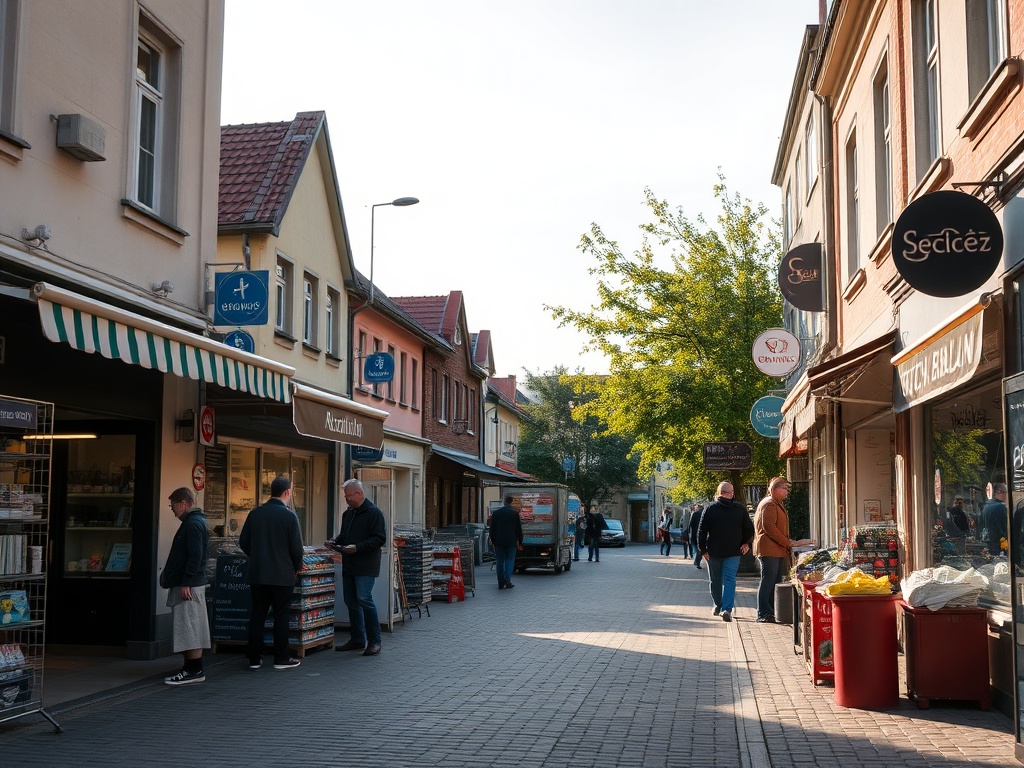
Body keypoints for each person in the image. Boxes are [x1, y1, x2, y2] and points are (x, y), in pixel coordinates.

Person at [239, 476, 304, 670]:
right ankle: (281, 657)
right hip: (282, 575)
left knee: (257, 614)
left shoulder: (255, 513)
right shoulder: (290, 516)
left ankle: (254, 657)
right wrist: (297, 565)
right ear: (287, 492)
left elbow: (243, 542)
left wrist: (258, 556)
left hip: (258, 573)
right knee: (281, 615)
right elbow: (296, 548)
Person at [327, 479, 387, 655]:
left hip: (366, 565)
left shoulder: (374, 513)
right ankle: (358, 639)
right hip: (349, 564)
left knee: (364, 599)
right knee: (351, 602)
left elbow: (379, 539)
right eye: (345, 497)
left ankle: (375, 641)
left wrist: (358, 547)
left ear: (359, 494)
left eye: (349, 496)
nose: (347, 500)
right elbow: (345, 535)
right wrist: (335, 542)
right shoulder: (349, 514)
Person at [160, 487, 211, 686]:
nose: (171, 509)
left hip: (189, 586)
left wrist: (186, 582)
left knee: (189, 627)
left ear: (183, 503)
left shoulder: (192, 525)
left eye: (172, 504)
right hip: (189, 583)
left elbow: (195, 555)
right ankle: (192, 668)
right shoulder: (195, 522)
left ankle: (193, 670)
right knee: (190, 627)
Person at [697, 482, 754, 622]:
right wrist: (746, 543)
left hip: (713, 552)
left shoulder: (710, 509)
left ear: (718, 492)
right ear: (732, 493)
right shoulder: (739, 509)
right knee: (730, 580)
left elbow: (701, 531)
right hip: (733, 551)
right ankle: (726, 609)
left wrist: (703, 550)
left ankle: (719, 605)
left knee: (715, 581)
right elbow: (749, 528)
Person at [753, 477, 795, 624]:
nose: (786, 492)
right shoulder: (770, 504)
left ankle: (770, 611)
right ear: (775, 488)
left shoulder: (774, 503)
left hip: (774, 549)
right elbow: (770, 527)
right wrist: (787, 542)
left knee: (773, 581)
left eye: (787, 488)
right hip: (769, 549)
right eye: (784, 488)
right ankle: (763, 612)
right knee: (768, 581)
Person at [488, 495, 524, 589]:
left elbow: (492, 529)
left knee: (500, 561)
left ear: (504, 502)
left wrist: (492, 539)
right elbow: (518, 529)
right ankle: (507, 580)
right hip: (511, 542)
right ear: (511, 502)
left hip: (498, 541)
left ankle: (500, 581)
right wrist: (520, 541)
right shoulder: (515, 514)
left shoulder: (496, 513)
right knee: (509, 561)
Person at [982, 482, 1008, 557]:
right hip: (999, 541)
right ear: (999, 492)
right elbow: (1005, 526)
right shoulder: (1001, 507)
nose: (1006, 495)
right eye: (1005, 492)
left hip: (989, 540)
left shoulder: (986, 506)